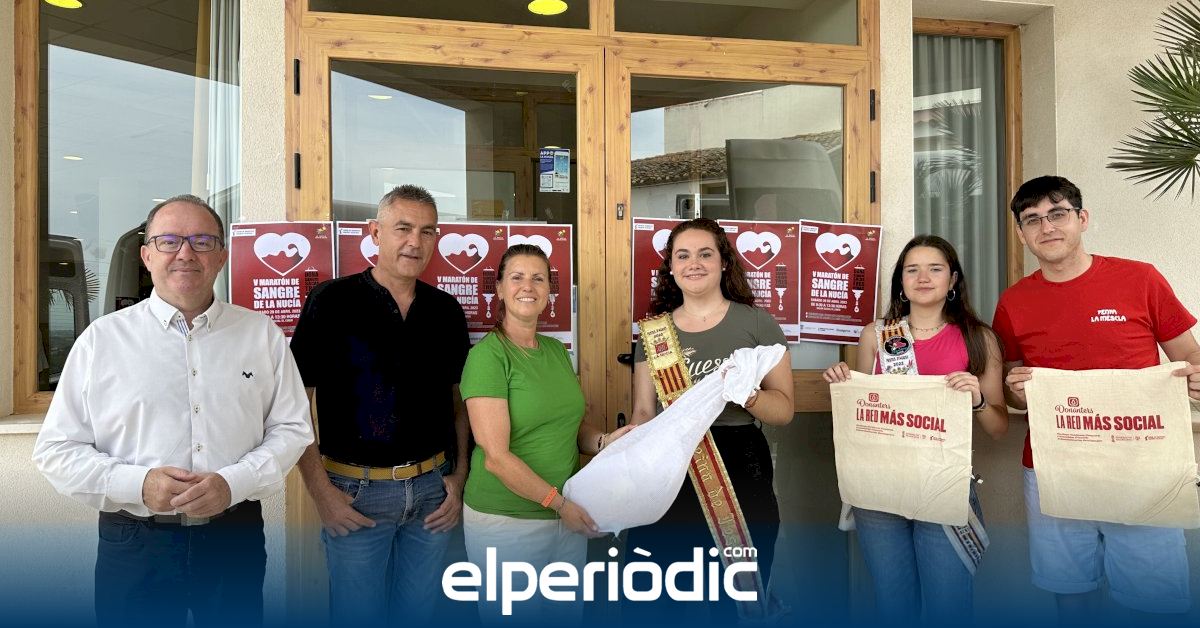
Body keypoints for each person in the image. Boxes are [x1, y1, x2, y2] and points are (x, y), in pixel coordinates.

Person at [32, 195, 314, 627]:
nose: (185, 253)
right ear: (147, 256)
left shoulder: (261, 335)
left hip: (232, 537)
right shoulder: (101, 341)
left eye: (202, 241)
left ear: (221, 256)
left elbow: (292, 428)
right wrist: (139, 484)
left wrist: (233, 482)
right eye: (169, 241)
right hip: (135, 541)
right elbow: (56, 450)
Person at [997, 175, 1200, 621]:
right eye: (1032, 219)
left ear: (1082, 218)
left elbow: (1189, 357)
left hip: (1142, 466)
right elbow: (1016, 395)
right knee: (1071, 592)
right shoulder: (1013, 302)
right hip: (1053, 467)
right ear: (1021, 234)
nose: (1047, 227)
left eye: (1058, 214)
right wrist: (1018, 392)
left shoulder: (1140, 279)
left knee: (1153, 601)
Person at [289, 185, 471, 625]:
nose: (415, 242)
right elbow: (293, 407)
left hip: (432, 493)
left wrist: (460, 476)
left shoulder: (445, 310)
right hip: (355, 495)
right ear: (375, 232)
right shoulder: (331, 302)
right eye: (402, 228)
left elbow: (459, 402)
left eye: (427, 231)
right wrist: (321, 494)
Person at [822, 234, 1007, 624]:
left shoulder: (979, 338)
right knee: (893, 604)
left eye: (935, 269)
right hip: (880, 487)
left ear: (952, 279)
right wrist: (844, 382)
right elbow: (865, 412)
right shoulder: (876, 335)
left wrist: (977, 400)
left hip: (944, 484)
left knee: (948, 606)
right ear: (901, 281)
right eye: (912, 270)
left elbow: (998, 428)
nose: (923, 278)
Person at [629, 218, 795, 620]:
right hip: (671, 467)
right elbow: (643, 414)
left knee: (734, 592)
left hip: (740, 465)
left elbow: (784, 410)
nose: (694, 263)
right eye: (683, 255)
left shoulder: (757, 324)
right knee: (663, 590)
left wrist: (749, 395)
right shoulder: (653, 334)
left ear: (724, 263)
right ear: (671, 267)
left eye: (705, 254)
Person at [459, 243, 632, 623]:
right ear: (499, 289)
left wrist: (603, 442)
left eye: (538, 278)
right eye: (517, 277)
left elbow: (568, 426)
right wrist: (561, 506)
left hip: (564, 517)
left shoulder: (555, 351)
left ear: (549, 291)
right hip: (507, 522)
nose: (528, 286)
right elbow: (496, 458)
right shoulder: (488, 357)